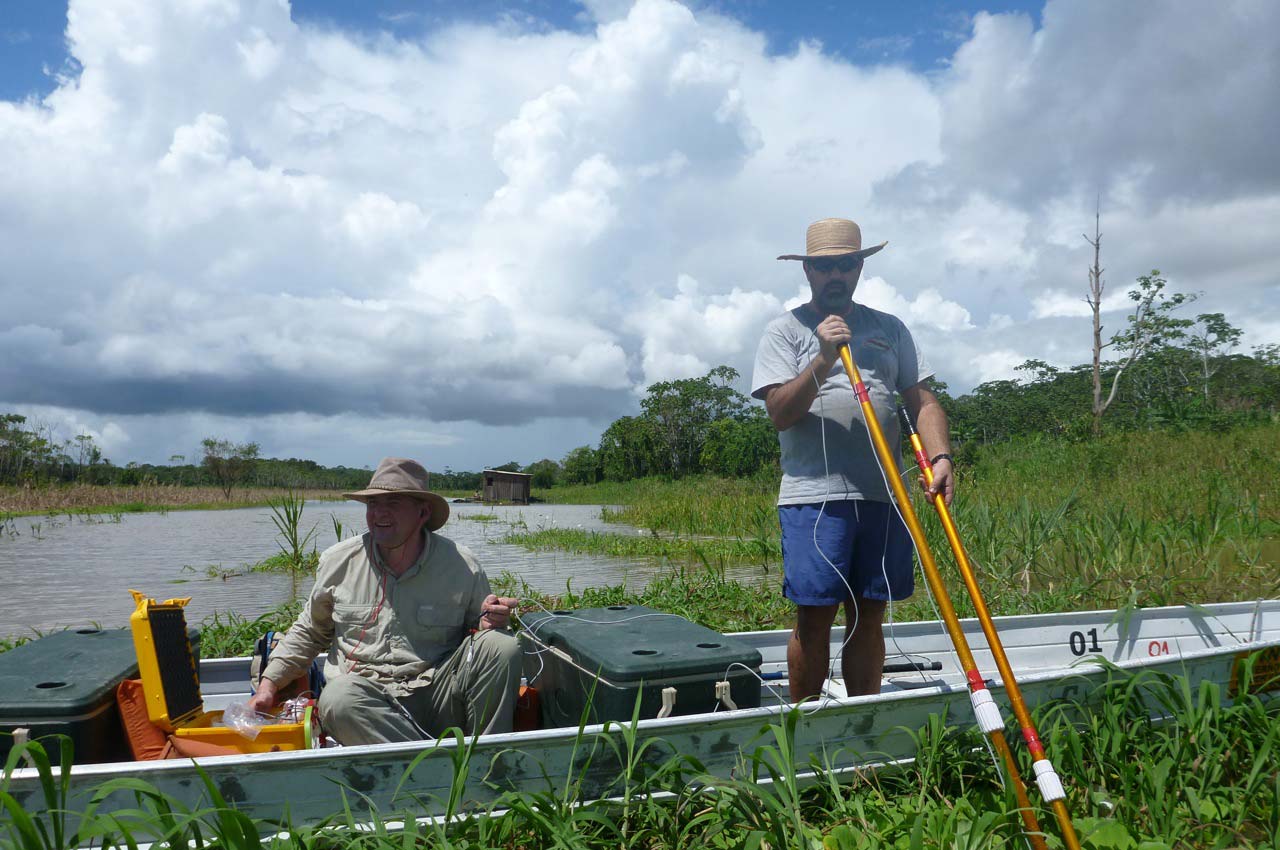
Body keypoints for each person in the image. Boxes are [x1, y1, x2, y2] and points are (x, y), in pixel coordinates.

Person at [751, 218, 954, 701]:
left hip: (884, 495)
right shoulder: (784, 331)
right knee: (815, 615)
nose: (835, 274)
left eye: (846, 263)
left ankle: (864, 721)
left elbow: (921, 400)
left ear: (860, 266)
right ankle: (803, 729)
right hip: (814, 498)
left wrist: (941, 455)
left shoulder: (890, 328)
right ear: (808, 272)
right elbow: (780, 412)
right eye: (825, 266)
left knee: (870, 612)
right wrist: (823, 357)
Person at [247, 457, 522, 744]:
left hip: (438, 696)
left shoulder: (463, 565)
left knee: (502, 646)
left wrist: (491, 623)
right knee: (338, 699)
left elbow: (477, 636)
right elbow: (309, 632)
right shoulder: (338, 561)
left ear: (423, 512)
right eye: (373, 504)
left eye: (392, 504)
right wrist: (268, 685)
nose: (379, 513)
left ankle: (487, 759)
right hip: (366, 703)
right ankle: (437, 766)